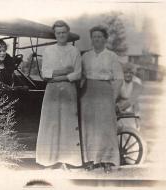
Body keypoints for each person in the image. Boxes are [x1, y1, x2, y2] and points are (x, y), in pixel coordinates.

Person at [36, 20, 82, 170]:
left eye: (64, 32)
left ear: (67, 33)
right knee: (51, 125)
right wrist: (64, 71)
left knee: (67, 124)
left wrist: (59, 76)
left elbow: (77, 74)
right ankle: (48, 161)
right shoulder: (49, 51)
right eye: (58, 33)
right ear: (55, 34)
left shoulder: (74, 51)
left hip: (69, 90)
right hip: (52, 92)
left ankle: (67, 160)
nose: (61, 35)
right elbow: (45, 74)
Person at [80, 26, 123, 173]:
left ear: (105, 39)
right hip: (88, 93)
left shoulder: (112, 56)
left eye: (99, 37)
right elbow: (82, 76)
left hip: (105, 92)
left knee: (105, 127)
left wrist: (113, 97)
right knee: (90, 126)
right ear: (91, 39)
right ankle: (90, 160)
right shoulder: (86, 56)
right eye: (94, 37)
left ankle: (107, 160)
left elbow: (119, 78)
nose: (96, 39)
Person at [116, 63, 143, 130]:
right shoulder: (120, 81)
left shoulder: (137, 82)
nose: (128, 74)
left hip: (132, 108)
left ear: (133, 74)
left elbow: (132, 99)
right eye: (125, 72)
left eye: (130, 73)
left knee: (131, 129)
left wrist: (121, 109)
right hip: (120, 108)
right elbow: (115, 96)